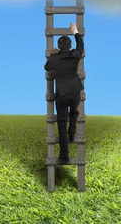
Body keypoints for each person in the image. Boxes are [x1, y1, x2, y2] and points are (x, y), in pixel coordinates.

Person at [44, 22, 84, 163]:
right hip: (74, 93)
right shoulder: (74, 55)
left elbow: (47, 67)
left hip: (61, 94)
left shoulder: (54, 58)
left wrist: (52, 55)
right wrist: (75, 32)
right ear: (70, 46)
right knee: (74, 112)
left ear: (59, 47)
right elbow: (81, 46)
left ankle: (64, 155)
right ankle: (72, 132)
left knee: (61, 124)